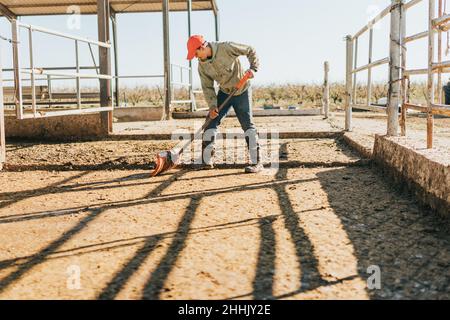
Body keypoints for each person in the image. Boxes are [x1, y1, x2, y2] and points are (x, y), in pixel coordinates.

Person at [186, 35, 263, 173]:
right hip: (224, 92)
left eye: (196, 54)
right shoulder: (202, 66)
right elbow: (207, 87)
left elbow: (250, 50)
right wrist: (212, 106)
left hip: (242, 90)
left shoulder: (226, 48)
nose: (197, 57)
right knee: (211, 121)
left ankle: (257, 162)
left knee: (247, 125)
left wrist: (253, 68)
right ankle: (206, 160)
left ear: (202, 47)